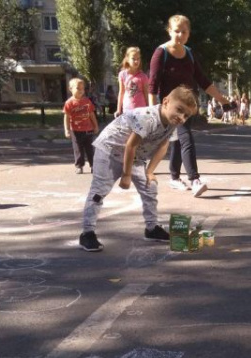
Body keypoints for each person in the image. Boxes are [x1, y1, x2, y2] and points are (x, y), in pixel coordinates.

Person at [77, 86, 198, 252]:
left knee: (150, 187)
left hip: (134, 157)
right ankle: (87, 233)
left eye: (186, 115)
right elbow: (130, 145)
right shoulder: (147, 118)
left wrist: (150, 171)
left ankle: (152, 228)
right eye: (179, 110)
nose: (181, 117)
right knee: (99, 191)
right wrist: (126, 175)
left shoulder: (172, 123)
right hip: (110, 150)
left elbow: (163, 146)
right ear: (165, 102)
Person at [148, 14, 236, 196]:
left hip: (187, 106)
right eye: (176, 31)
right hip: (169, 107)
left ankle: (174, 178)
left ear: (188, 34)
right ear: (169, 31)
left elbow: (203, 81)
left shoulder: (189, 53)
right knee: (185, 137)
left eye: (184, 31)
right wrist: (151, 111)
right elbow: (153, 85)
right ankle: (194, 179)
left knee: (179, 140)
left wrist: (222, 100)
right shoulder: (161, 53)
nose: (179, 35)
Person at [63, 77, 99, 174]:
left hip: (88, 130)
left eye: (82, 89)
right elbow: (66, 117)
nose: (80, 91)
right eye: (78, 88)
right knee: (78, 149)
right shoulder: (69, 103)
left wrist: (95, 126)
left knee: (90, 149)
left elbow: (92, 114)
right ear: (70, 89)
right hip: (76, 130)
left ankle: (93, 165)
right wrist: (66, 130)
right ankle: (79, 166)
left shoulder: (87, 101)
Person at [115, 47, 149, 117]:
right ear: (127, 59)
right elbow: (121, 92)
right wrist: (118, 109)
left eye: (138, 59)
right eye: (133, 59)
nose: (136, 61)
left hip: (141, 110)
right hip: (127, 110)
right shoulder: (122, 74)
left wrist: (149, 108)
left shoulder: (143, 76)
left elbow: (146, 94)